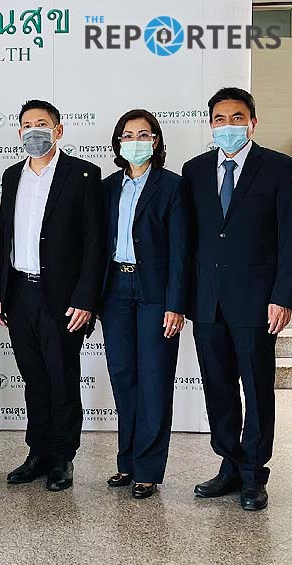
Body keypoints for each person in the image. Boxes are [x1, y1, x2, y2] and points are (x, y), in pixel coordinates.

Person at [183, 87, 292, 511]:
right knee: (218, 386)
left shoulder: (279, 168)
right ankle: (229, 464)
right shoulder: (194, 170)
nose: (227, 126)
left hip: (257, 301)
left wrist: (283, 296)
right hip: (207, 301)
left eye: (237, 117)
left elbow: (288, 238)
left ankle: (253, 474)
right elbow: (190, 240)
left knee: (258, 388)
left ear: (252, 122)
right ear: (210, 124)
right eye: (220, 119)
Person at [0, 100, 105, 491]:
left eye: (42, 123)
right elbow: (4, 237)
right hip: (19, 292)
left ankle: (62, 457)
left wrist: (86, 299)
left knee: (62, 378)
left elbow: (94, 243)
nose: (34, 131)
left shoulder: (83, 174)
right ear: (18, 132)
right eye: (27, 125)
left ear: (58, 130)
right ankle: (37, 453)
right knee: (34, 379)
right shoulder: (12, 175)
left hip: (62, 296)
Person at [99, 110, 188, 499]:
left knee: (154, 379)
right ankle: (127, 462)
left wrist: (176, 304)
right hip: (115, 289)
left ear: (156, 141)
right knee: (123, 377)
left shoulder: (173, 186)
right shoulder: (107, 187)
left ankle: (148, 470)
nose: (135, 141)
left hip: (155, 292)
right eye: (128, 135)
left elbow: (181, 251)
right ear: (118, 142)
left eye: (143, 134)